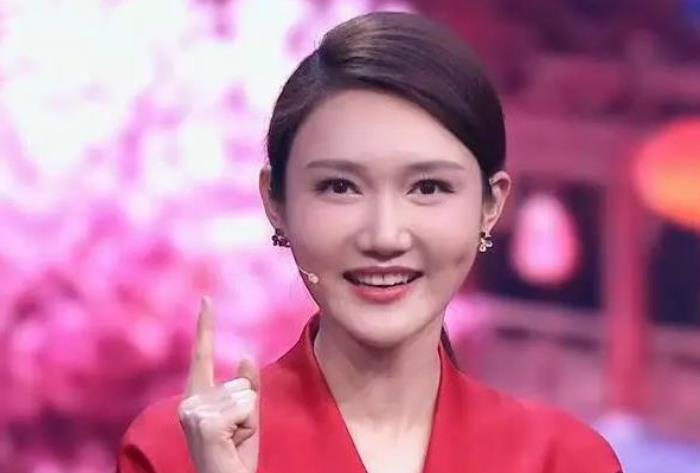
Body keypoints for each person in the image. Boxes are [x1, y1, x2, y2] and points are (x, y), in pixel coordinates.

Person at [117, 11, 622, 473]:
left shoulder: (562, 460)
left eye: (429, 188)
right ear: (276, 201)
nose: (384, 236)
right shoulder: (174, 453)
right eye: (340, 187)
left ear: (490, 206)